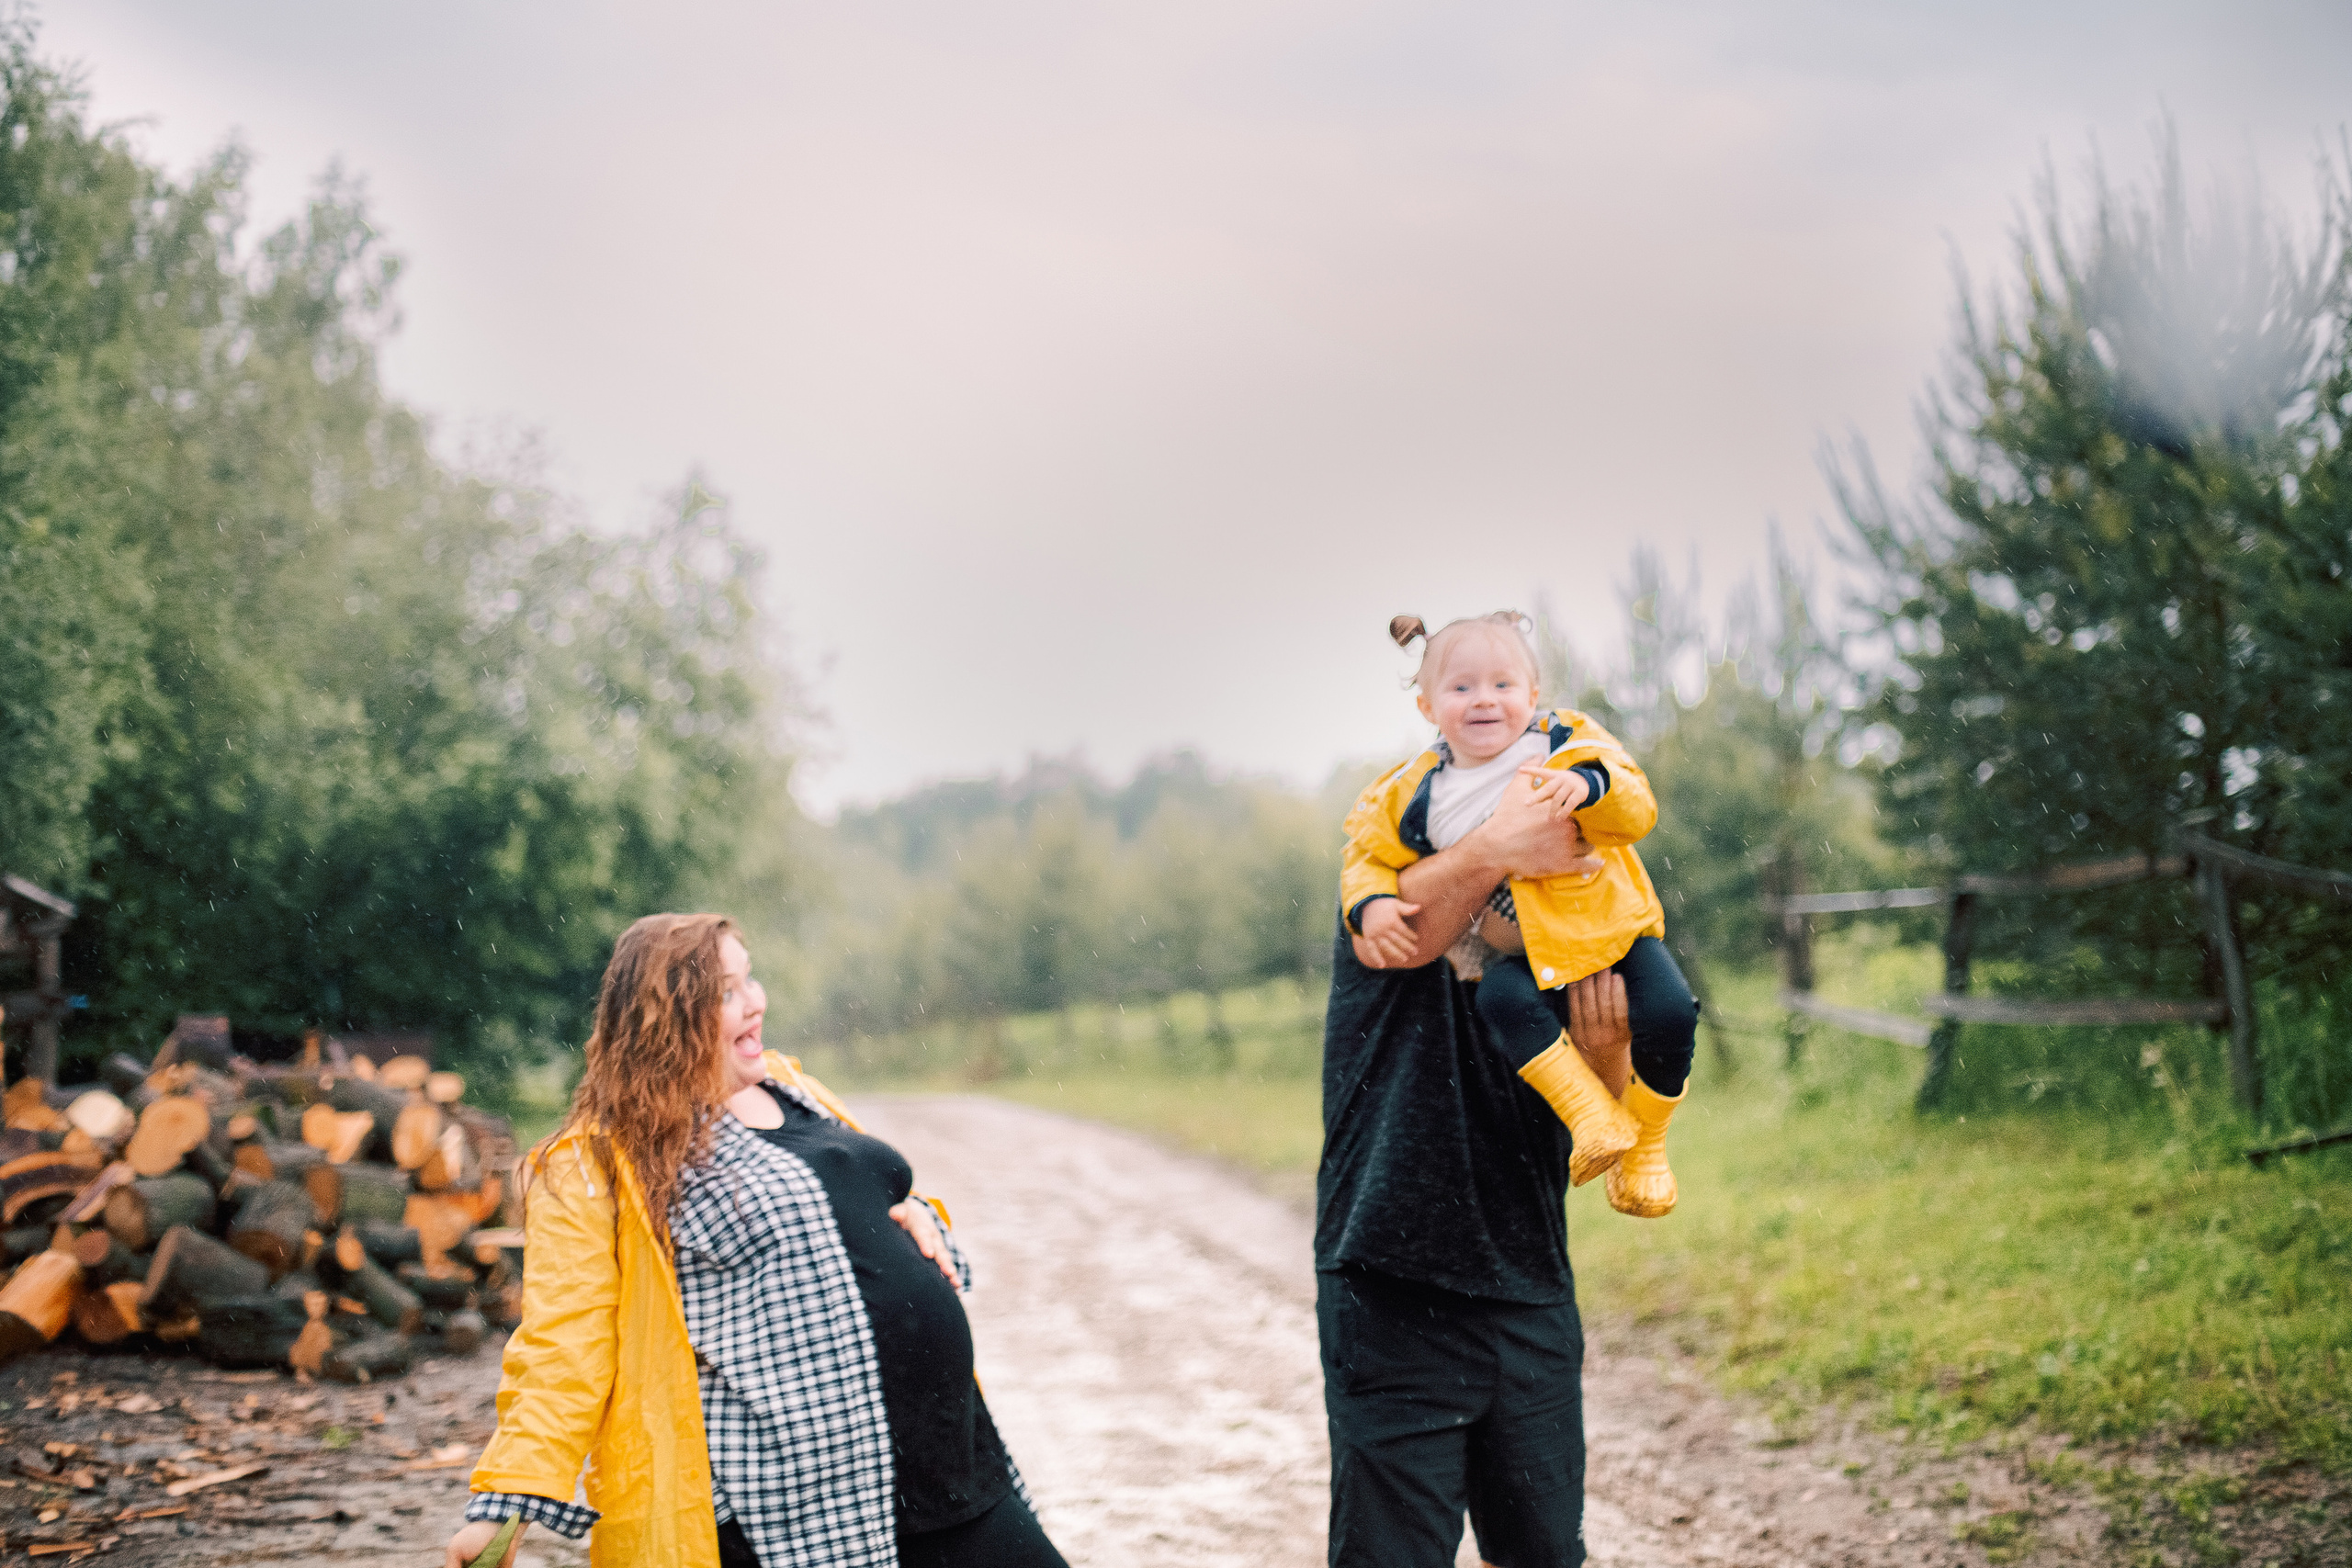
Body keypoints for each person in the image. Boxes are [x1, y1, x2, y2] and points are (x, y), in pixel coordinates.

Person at [443, 912, 1068, 1568]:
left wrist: (916, 1213)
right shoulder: (598, 1164)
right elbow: (563, 1346)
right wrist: (506, 1502)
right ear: (666, 1020)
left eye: (751, 978)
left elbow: (845, 1204)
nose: (756, 1000)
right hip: (801, 1503)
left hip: (948, 1456)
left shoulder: (788, 1085)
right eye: (728, 990)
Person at [1341, 611, 1699, 1217]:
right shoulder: (1412, 791)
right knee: (1500, 1002)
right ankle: (1592, 1117)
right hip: (1524, 956)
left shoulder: (1565, 743)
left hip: (1614, 933)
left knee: (1670, 1011)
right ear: (1428, 706)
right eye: (1462, 687)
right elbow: (1366, 854)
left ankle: (1647, 1143)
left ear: (1533, 696)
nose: (1485, 699)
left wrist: (1590, 788)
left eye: (1503, 685)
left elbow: (1636, 805)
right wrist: (1370, 906)